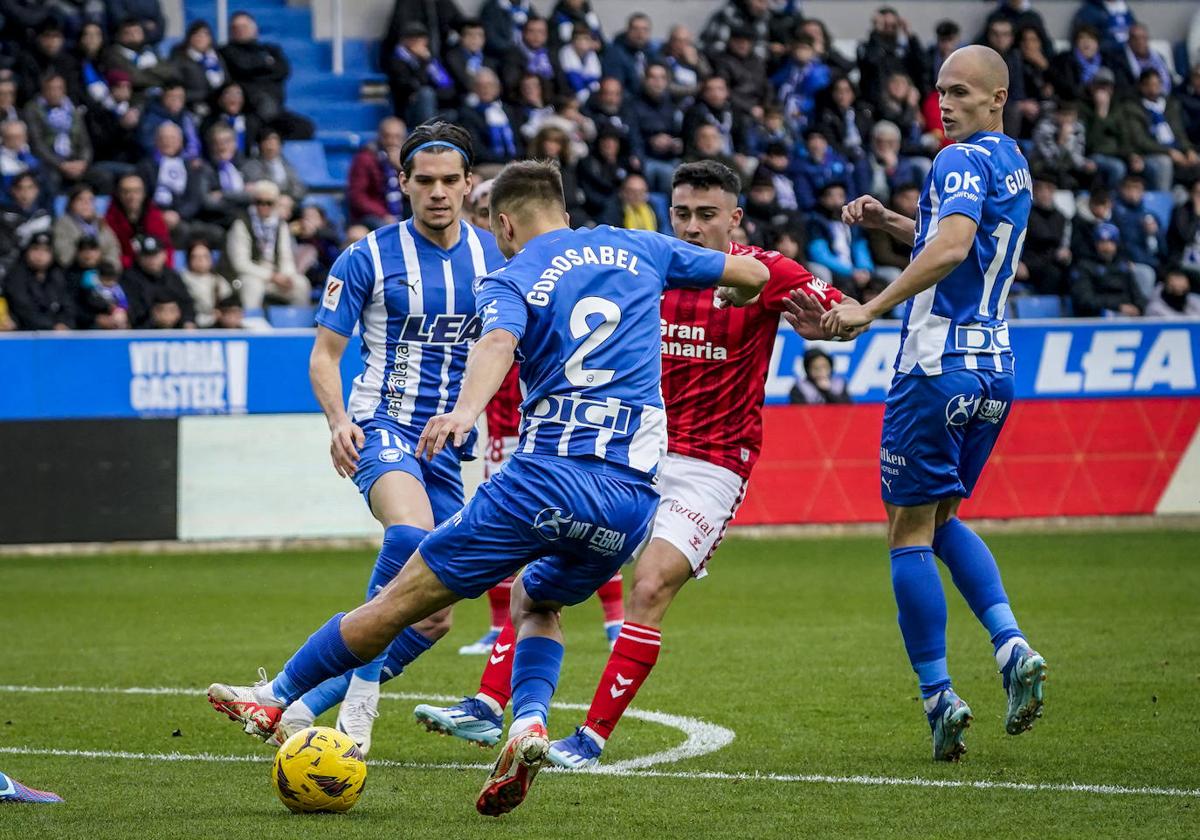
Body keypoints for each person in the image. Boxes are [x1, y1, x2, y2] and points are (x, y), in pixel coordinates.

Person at [205, 159, 769, 818]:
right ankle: (529, 727)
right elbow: (752, 273)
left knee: (397, 600)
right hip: (630, 501)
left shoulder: (514, 273)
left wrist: (467, 412)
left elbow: (498, 341)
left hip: (541, 482)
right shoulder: (639, 244)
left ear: (504, 223)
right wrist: (739, 291)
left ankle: (275, 698)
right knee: (538, 599)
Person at [411, 159, 840, 769]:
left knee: (650, 585)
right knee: (534, 573)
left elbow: (838, 309)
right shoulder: (645, 263)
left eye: (707, 215)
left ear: (734, 219)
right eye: (682, 214)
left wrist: (844, 319)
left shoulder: (766, 272)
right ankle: (489, 704)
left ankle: (588, 740)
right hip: (634, 451)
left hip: (712, 462)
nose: (691, 227)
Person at [213, 124, 506, 757]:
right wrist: (340, 421)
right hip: (384, 426)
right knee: (409, 536)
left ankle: (296, 705)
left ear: (469, 185)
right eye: (423, 181)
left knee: (433, 616)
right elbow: (324, 357)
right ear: (401, 183)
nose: (437, 193)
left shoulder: (494, 259)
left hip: (449, 447)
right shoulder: (367, 256)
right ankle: (360, 703)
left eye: (450, 181)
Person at [814, 45, 1047, 762]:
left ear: (997, 97)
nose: (943, 104)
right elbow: (961, 242)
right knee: (943, 518)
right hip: (994, 370)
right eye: (939, 92)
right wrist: (889, 221)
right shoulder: (1010, 161)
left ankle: (939, 696)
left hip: (932, 367)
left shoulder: (955, 162)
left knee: (907, 533)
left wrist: (871, 307)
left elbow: (949, 248)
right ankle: (1011, 647)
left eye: (960, 92)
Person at [219, 11, 313, 139]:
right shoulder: (225, 52)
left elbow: (283, 70)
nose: (240, 30)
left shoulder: (271, 49)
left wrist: (254, 72)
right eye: (235, 27)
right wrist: (266, 64)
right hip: (249, 111)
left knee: (305, 128)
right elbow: (242, 66)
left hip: (276, 113)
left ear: (255, 29)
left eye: (244, 27)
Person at [220, 180, 308, 308]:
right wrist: (271, 276)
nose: (263, 207)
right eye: (259, 202)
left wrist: (287, 276)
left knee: (300, 284)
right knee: (252, 284)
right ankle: (251, 322)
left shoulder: (280, 224)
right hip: (249, 275)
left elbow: (286, 256)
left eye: (269, 203)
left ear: (276, 204)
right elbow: (241, 264)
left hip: (274, 274)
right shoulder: (241, 224)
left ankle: (299, 323)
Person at [1070, 222, 1146, 316]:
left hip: (1128, 314)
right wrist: (1118, 306)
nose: (1106, 247)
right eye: (1102, 242)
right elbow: (1085, 300)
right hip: (1099, 316)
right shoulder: (1084, 266)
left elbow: (1136, 293)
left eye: (1110, 242)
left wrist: (1139, 307)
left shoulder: (1123, 265)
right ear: (1095, 243)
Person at [122, 233, 195, 328]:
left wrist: (187, 320)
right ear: (139, 258)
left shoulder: (172, 276)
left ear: (164, 255)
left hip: (176, 328)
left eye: (155, 255)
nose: (152, 260)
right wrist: (155, 315)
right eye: (147, 256)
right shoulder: (129, 278)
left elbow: (186, 302)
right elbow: (132, 309)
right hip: (142, 331)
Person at [4, 230, 74, 330]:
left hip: (57, 333)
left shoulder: (58, 275)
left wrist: (64, 323)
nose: (40, 255)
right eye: (35, 249)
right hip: (25, 334)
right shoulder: (15, 276)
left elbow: (68, 306)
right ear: (27, 251)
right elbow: (23, 310)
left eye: (46, 250)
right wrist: (52, 326)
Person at [347, 117, 407, 227]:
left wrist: (401, 168)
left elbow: (416, 190)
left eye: (397, 137)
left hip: (403, 212)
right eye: (387, 136)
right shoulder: (365, 158)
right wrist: (383, 215)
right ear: (379, 137)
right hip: (372, 216)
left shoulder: (408, 161)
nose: (392, 141)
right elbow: (357, 196)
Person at [51, 183, 121, 268]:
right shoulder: (63, 224)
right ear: (71, 204)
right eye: (80, 199)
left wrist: (106, 266)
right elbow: (64, 256)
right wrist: (84, 257)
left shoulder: (101, 222)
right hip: (73, 271)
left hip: (102, 272)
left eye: (90, 200)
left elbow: (113, 249)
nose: (86, 203)